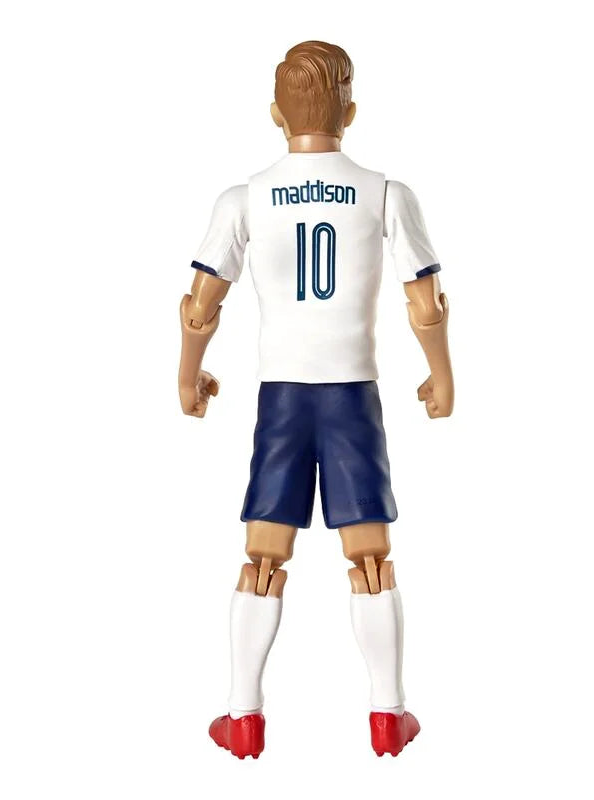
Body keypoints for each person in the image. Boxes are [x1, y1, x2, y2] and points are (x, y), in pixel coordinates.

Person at [178, 41, 453, 759]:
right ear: (351, 113)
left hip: (283, 399)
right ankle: (388, 715)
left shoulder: (244, 198)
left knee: (264, 554)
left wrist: (188, 375)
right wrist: (442, 375)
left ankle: (243, 717)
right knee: (370, 555)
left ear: (276, 113)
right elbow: (426, 302)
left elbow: (200, 306)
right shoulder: (385, 193)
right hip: (353, 394)